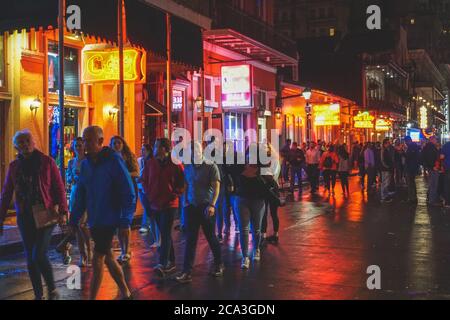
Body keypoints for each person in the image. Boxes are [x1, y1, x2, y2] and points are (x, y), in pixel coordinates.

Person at [0, 130, 68, 300]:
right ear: (16, 146)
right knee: (30, 257)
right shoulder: (14, 167)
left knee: (38, 253)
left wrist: (64, 211)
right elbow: (7, 193)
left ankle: (52, 288)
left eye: (27, 140)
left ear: (33, 142)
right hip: (25, 215)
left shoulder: (46, 162)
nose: (24, 144)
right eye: (20, 142)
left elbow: (59, 187)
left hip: (46, 212)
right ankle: (39, 294)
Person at [69, 126, 134, 300]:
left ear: (99, 141)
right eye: (84, 139)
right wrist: (73, 218)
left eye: (89, 140)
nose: (85, 144)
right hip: (95, 218)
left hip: (110, 217)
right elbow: (81, 194)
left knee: (98, 258)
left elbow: (128, 191)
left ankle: (92, 298)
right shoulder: (86, 165)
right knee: (109, 258)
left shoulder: (113, 161)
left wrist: (125, 220)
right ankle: (126, 292)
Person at [176, 142, 223, 283]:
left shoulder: (210, 166)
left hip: (206, 206)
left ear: (201, 149)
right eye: (191, 149)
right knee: (190, 239)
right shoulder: (188, 167)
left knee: (210, 237)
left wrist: (212, 205)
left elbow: (216, 187)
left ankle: (219, 264)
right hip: (191, 206)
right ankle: (187, 271)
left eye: (196, 148)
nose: (194, 151)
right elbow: (186, 185)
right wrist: (184, 201)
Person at [142, 138, 185, 277]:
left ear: (164, 148)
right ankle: (171, 261)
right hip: (155, 203)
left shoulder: (175, 163)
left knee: (165, 232)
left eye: (157, 146)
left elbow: (182, 182)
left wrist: (174, 194)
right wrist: (149, 195)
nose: (155, 148)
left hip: (170, 204)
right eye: (155, 146)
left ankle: (162, 263)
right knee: (164, 232)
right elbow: (145, 180)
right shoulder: (151, 163)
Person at [233, 143, 267, 269]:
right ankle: (245, 256)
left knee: (256, 229)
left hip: (258, 201)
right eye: (248, 155)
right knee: (244, 229)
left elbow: (268, 184)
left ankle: (256, 249)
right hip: (242, 200)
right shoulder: (240, 167)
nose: (249, 158)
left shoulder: (262, 169)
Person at [110, 136, 139, 264]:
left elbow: (137, 172)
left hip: (129, 192)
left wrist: (124, 174)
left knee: (126, 222)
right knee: (118, 224)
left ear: (123, 144)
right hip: (115, 194)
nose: (116, 145)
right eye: (114, 143)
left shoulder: (128, 157)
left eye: (118, 142)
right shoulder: (109, 159)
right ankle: (123, 250)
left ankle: (126, 250)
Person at [66, 137, 92, 267]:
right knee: (77, 226)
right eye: (76, 146)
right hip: (75, 193)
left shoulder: (89, 161)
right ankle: (83, 254)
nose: (78, 148)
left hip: (87, 194)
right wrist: (72, 177)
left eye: (80, 145)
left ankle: (89, 250)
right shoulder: (71, 162)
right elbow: (68, 178)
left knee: (82, 225)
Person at [137, 144, 160, 247]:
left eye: (144, 150)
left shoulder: (152, 162)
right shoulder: (140, 161)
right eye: (141, 149)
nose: (142, 151)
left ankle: (158, 239)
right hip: (142, 190)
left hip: (149, 191)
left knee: (154, 216)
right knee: (150, 215)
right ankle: (156, 239)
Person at [261, 143, 281, 245]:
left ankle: (275, 234)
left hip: (272, 188)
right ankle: (263, 235)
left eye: (265, 147)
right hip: (264, 188)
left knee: (273, 213)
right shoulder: (261, 159)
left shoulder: (275, 160)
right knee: (263, 213)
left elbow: (275, 174)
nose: (264, 149)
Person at [421, 136, 440, 206]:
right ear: (432, 140)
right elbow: (430, 158)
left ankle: (430, 198)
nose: (436, 141)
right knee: (433, 184)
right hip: (433, 168)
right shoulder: (431, 147)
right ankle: (432, 201)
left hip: (431, 167)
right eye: (435, 140)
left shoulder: (428, 147)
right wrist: (433, 166)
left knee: (431, 183)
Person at [404, 136, 420, 204]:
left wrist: (403, 153)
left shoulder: (411, 147)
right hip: (413, 167)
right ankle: (413, 197)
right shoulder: (414, 146)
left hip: (410, 168)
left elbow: (408, 157)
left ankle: (412, 198)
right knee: (412, 183)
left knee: (410, 183)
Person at [380, 138, 394, 203]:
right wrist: (387, 166)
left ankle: (385, 195)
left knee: (386, 182)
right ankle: (383, 197)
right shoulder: (383, 150)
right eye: (388, 142)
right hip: (385, 169)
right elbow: (383, 160)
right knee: (385, 183)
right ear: (385, 143)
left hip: (387, 168)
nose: (389, 143)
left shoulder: (386, 150)